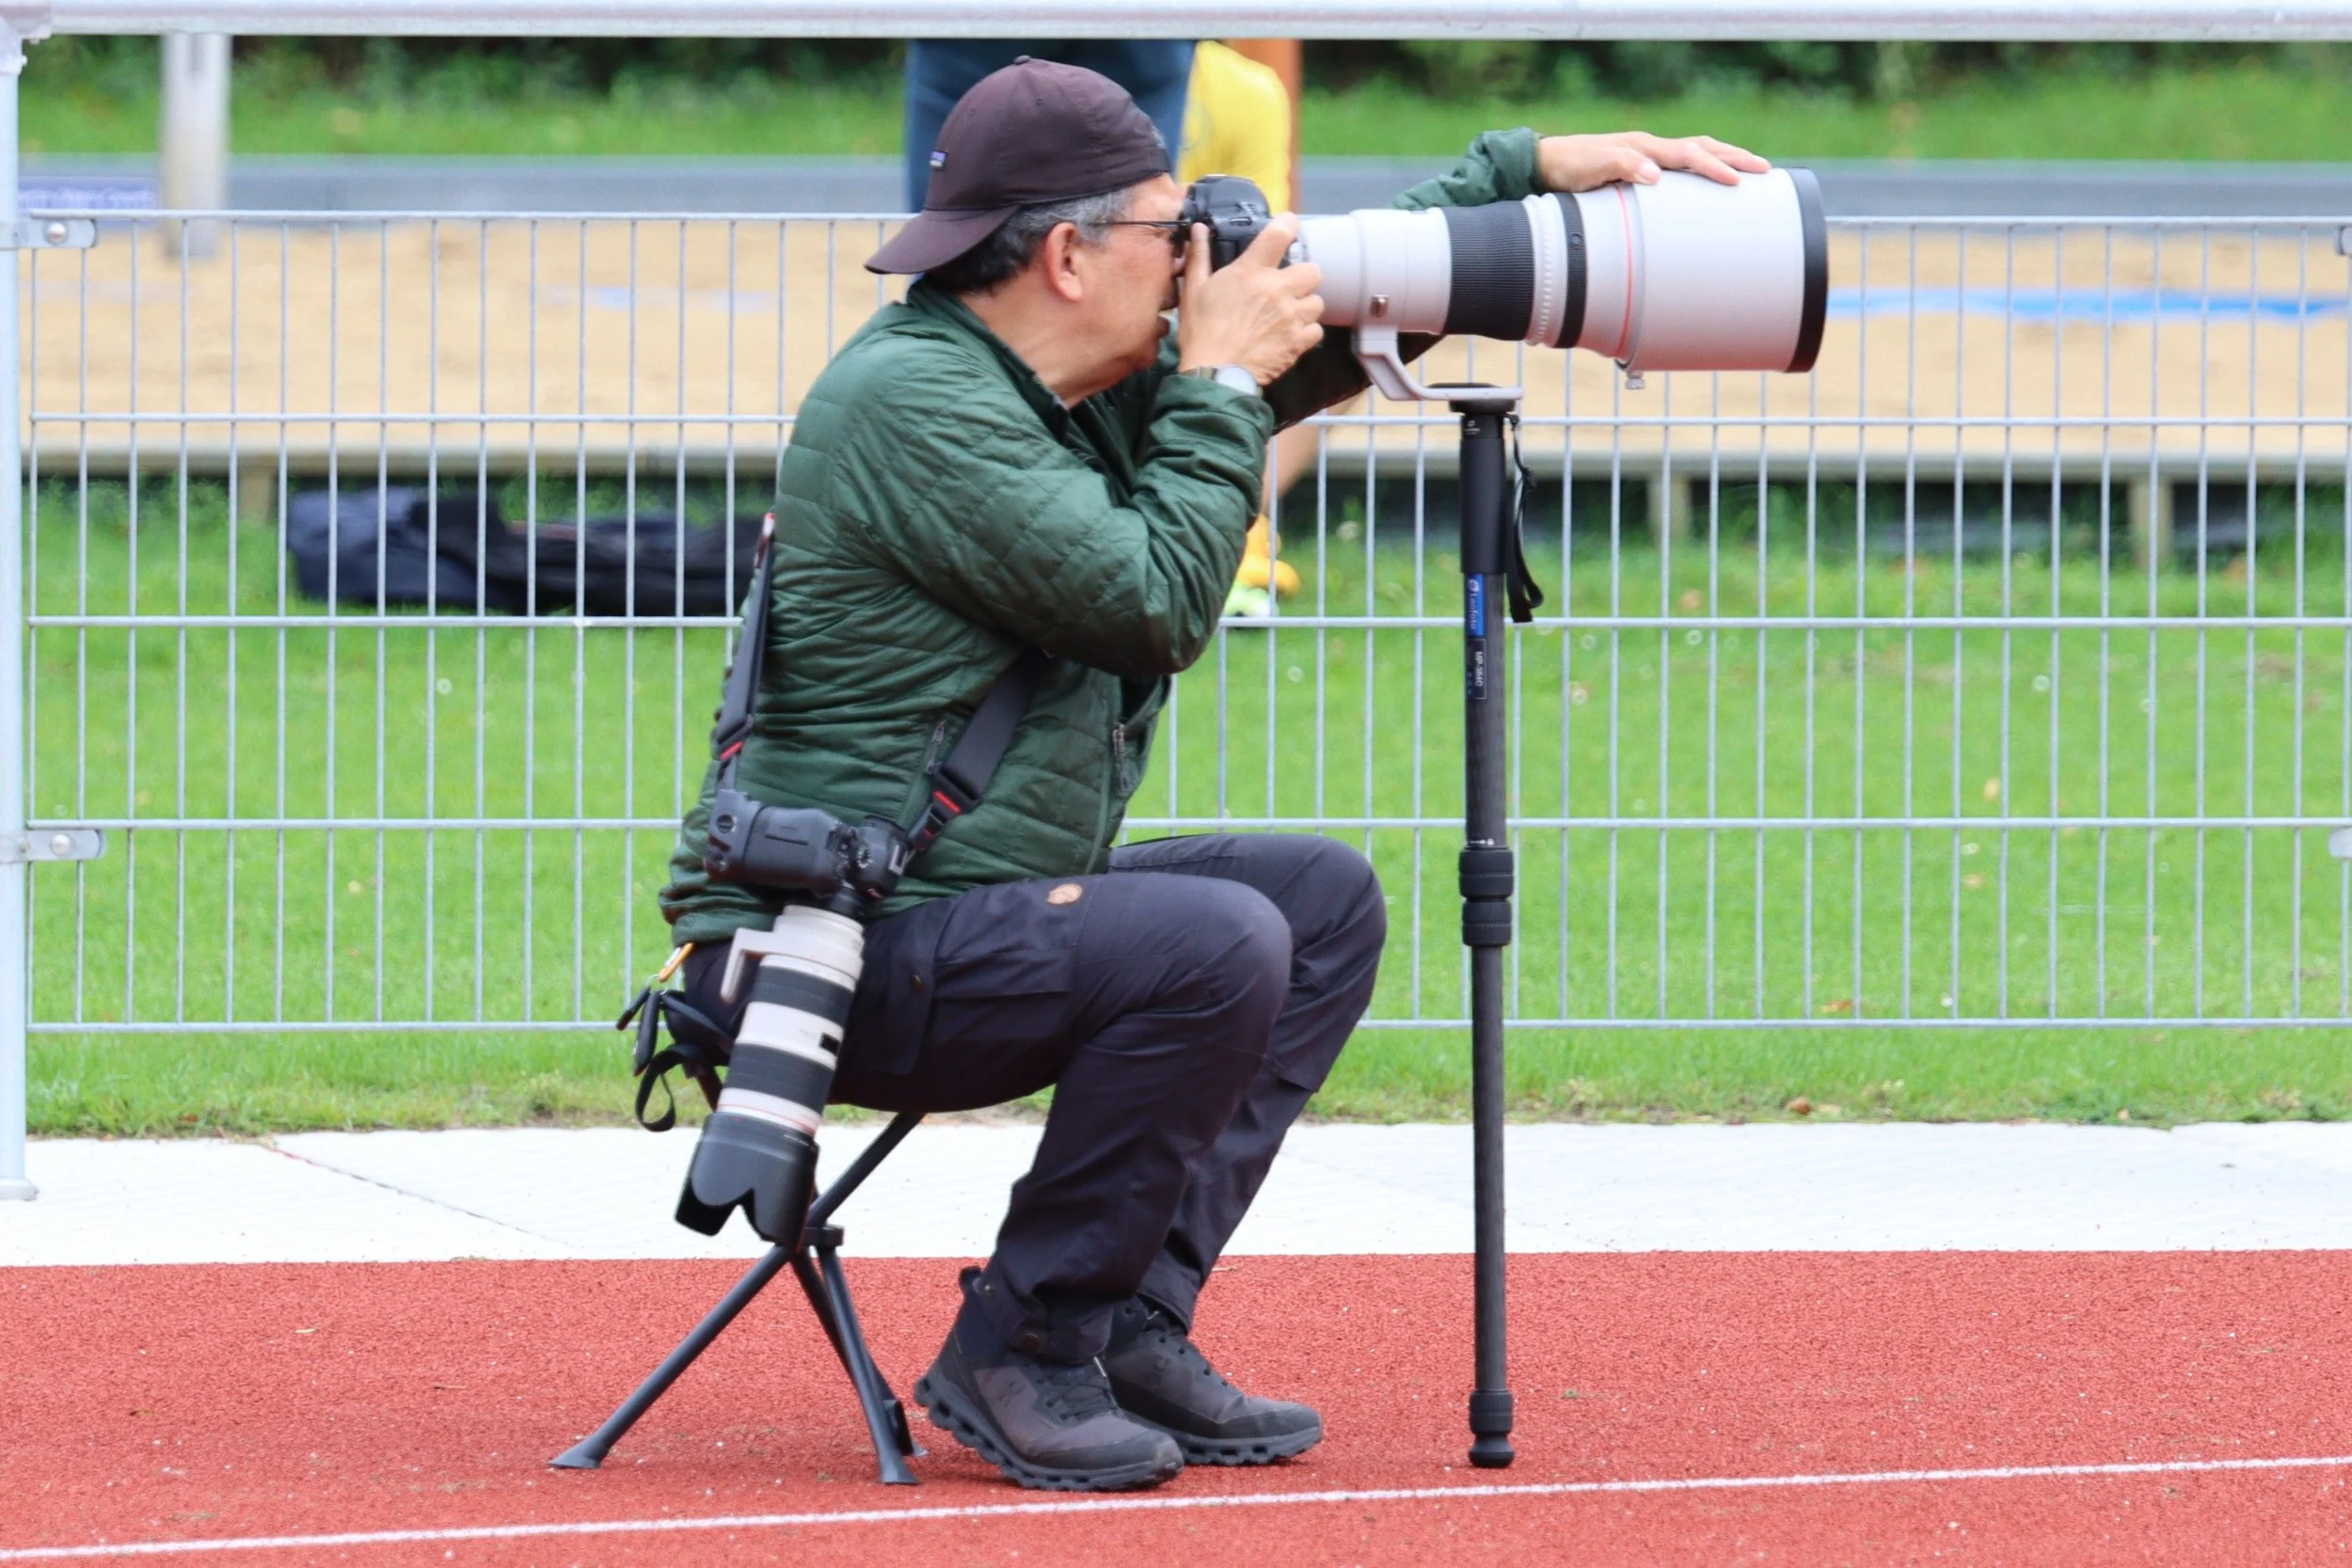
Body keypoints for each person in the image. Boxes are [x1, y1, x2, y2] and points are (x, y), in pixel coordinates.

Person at [660, 56, 1766, 1493]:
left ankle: (1123, 1319)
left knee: (1317, 901)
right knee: (1215, 938)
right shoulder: (920, 404)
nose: (1200, 257)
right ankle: (1022, 1340)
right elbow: (1157, 599)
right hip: (827, 953)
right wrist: (1224, 373)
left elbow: (1336, 317)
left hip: (951, 910)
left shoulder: (1067, 371)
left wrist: (1518, 178)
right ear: (1068, 255)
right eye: (1166, 230)